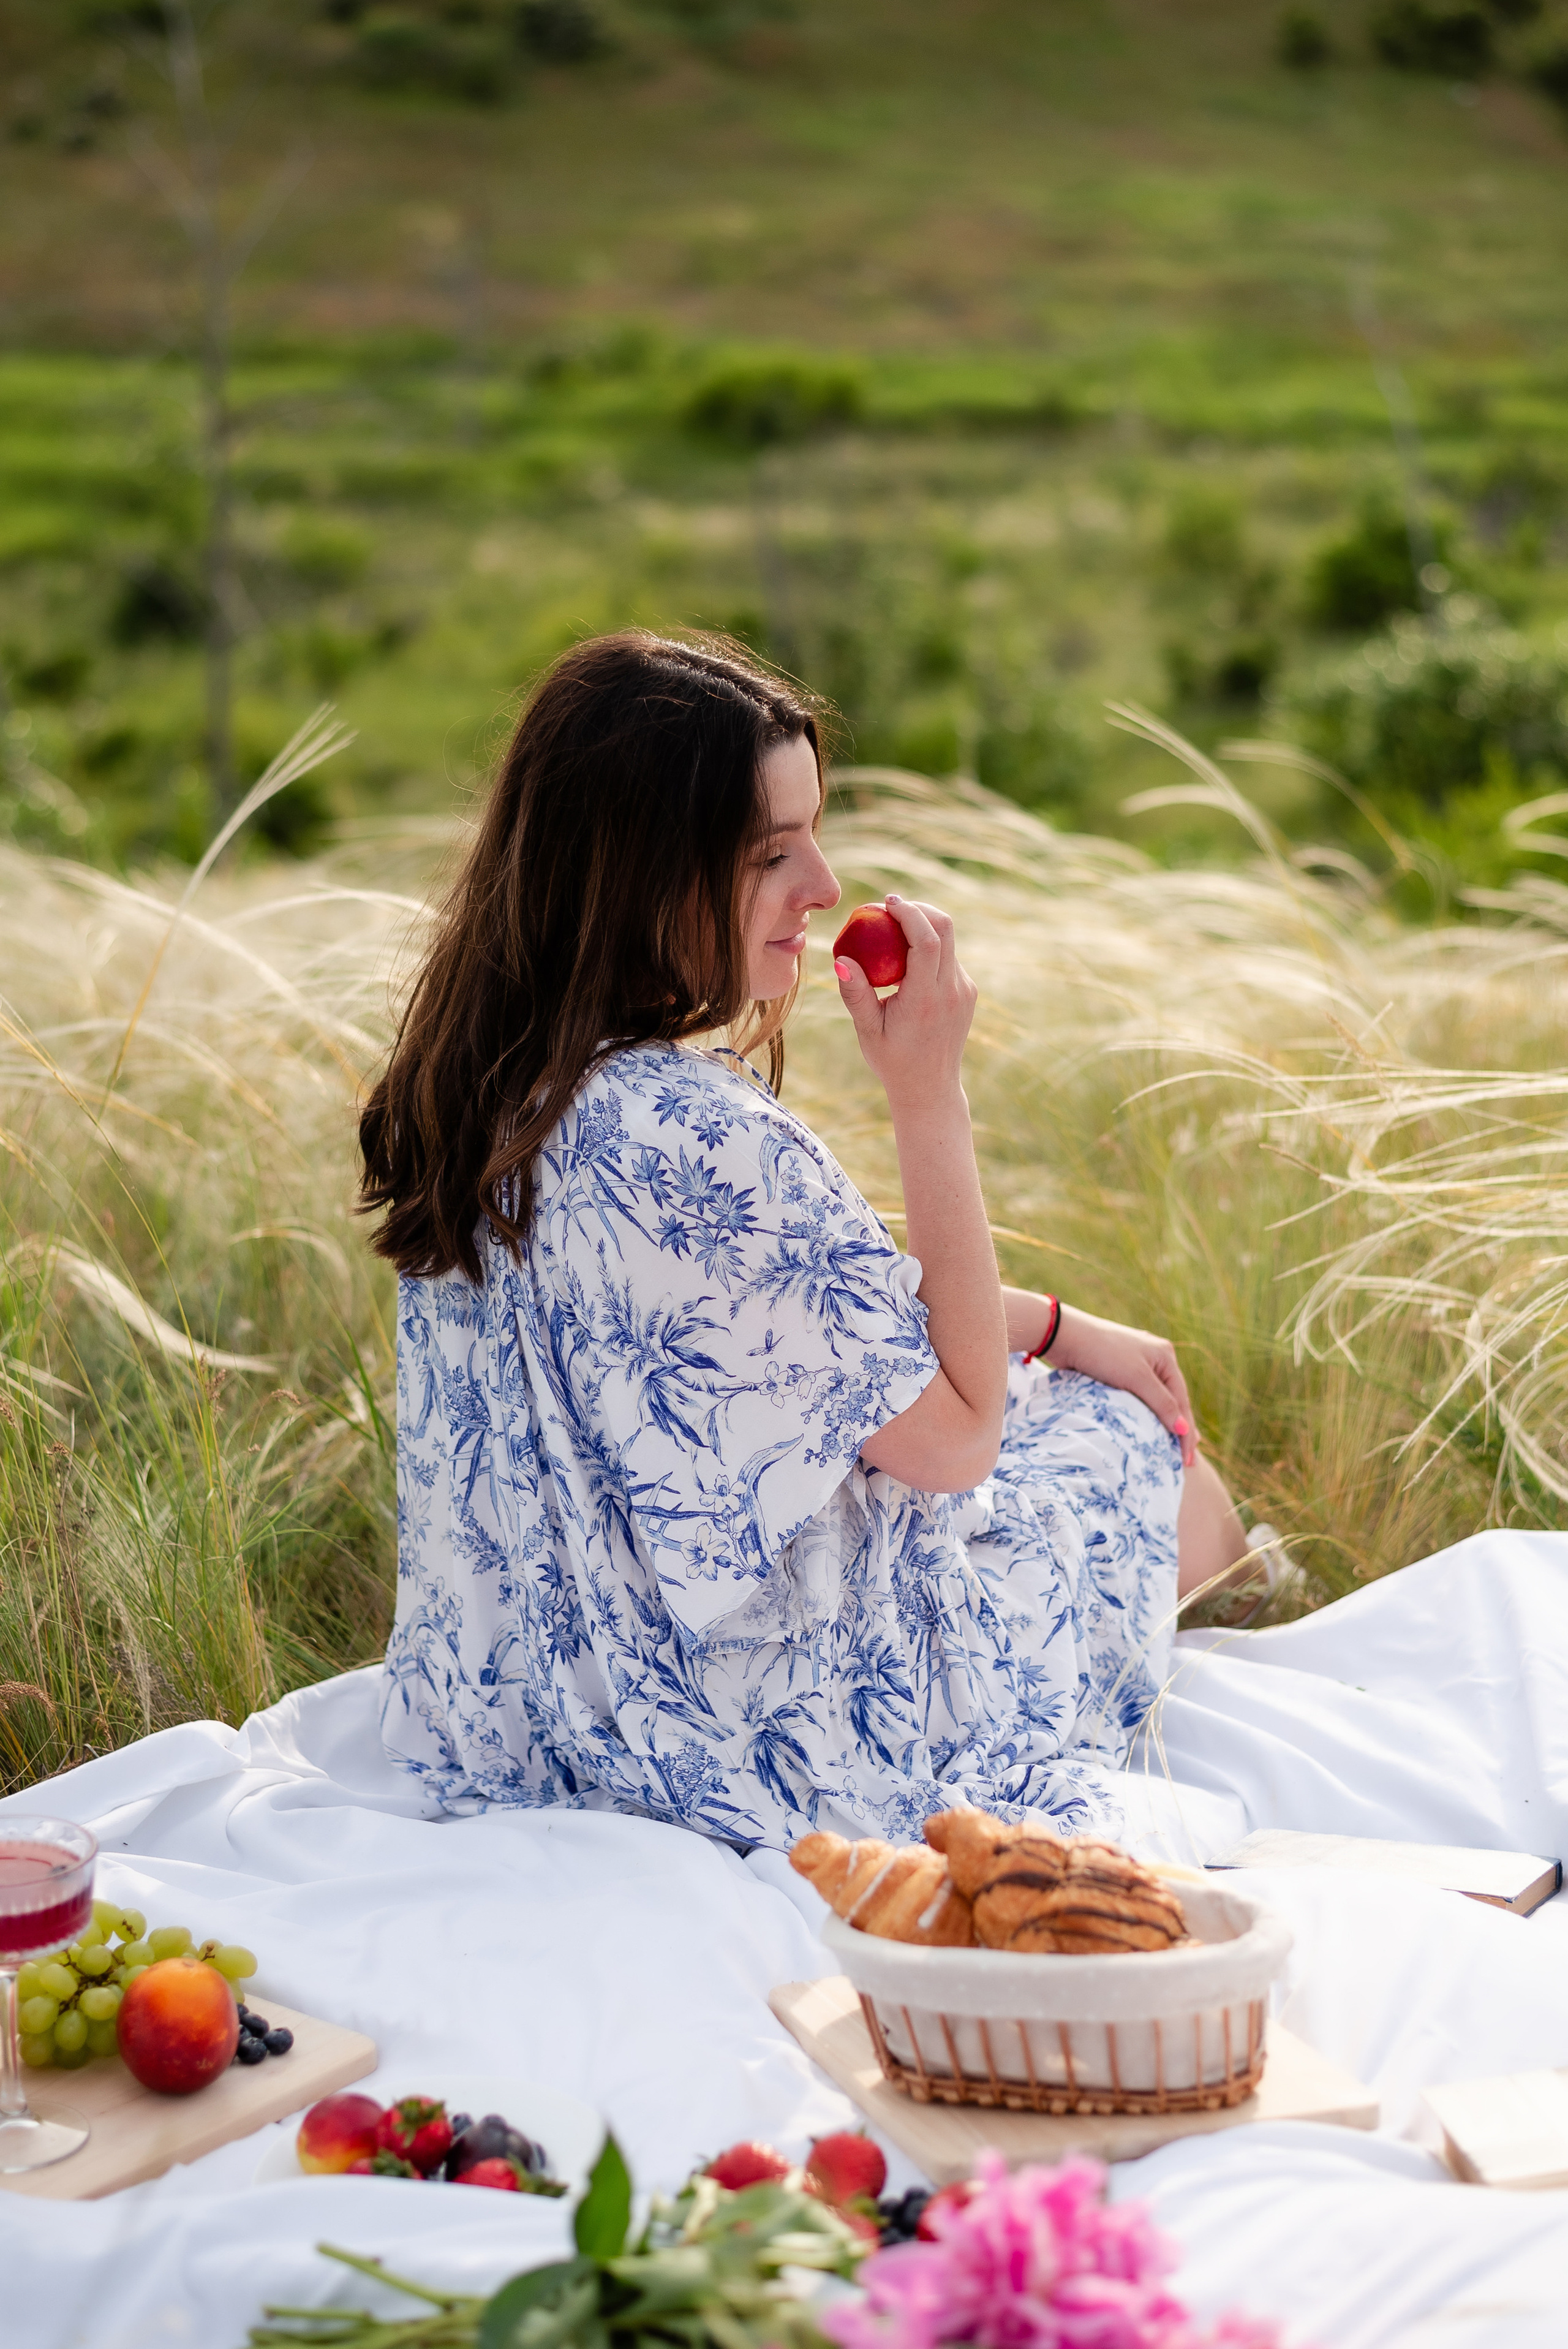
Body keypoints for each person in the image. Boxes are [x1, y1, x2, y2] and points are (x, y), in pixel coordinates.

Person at [359, 631, 1250, 1845]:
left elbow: (771, 1325)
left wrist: (1046, 1324)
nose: (823, 886)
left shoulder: (481, 1100)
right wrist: (927, 1094)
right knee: (1127, 1438)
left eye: (813, 834)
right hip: (759, 1740)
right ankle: (1246, 1625)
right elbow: (954, 1443)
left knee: (1064, 1392)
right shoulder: (706, 1142)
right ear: (643, 872)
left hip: (520, 1710)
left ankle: (1218, 1609)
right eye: (770, 853)